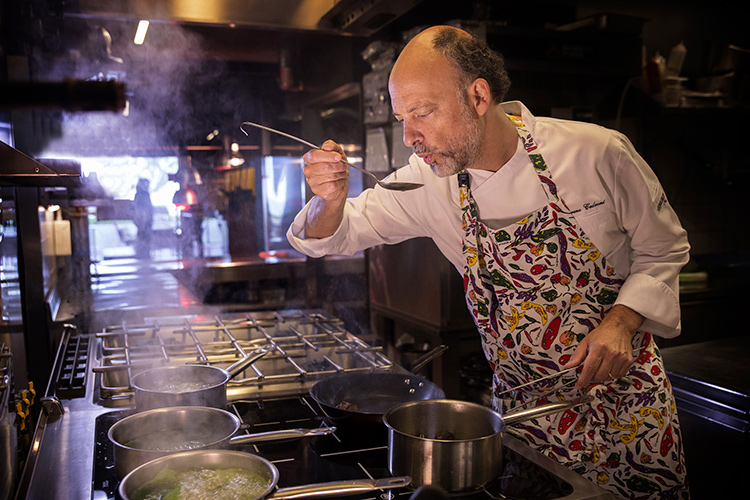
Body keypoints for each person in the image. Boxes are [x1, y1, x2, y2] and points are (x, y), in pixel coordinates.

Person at [287, 25, 690, 499]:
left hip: (629, 410)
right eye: (401, 118)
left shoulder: (596, 152)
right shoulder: (428, 182)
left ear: (478, 96)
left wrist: (622, 321)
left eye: (422, 113)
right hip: (524, 425)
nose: (410, 136)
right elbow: (333, 234)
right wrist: (328, 200)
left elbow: (664, 248)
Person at [133, 177, 154, 259]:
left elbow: (149, 209)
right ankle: (142, 254)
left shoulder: (144, 195)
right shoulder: (140, 195)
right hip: (142, 222)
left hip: (145, 222)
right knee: (143, 237)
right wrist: (142, 221)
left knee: (145, 238)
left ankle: (144, 254)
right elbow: (139, 210)